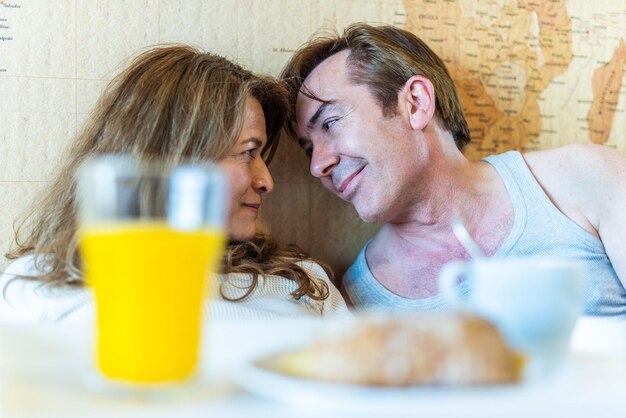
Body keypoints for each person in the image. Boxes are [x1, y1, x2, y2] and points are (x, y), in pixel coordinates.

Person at [280, 23, 626, 315]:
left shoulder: (586, 178)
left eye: (330, 123)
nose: (317, 165)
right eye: (309, 147)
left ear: (415, 103)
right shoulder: (359, 299)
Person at [1, 45, 348, 323]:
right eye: (247, 152)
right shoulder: (36, 286)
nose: (266, 181)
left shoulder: (302, 285)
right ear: (175, 159)